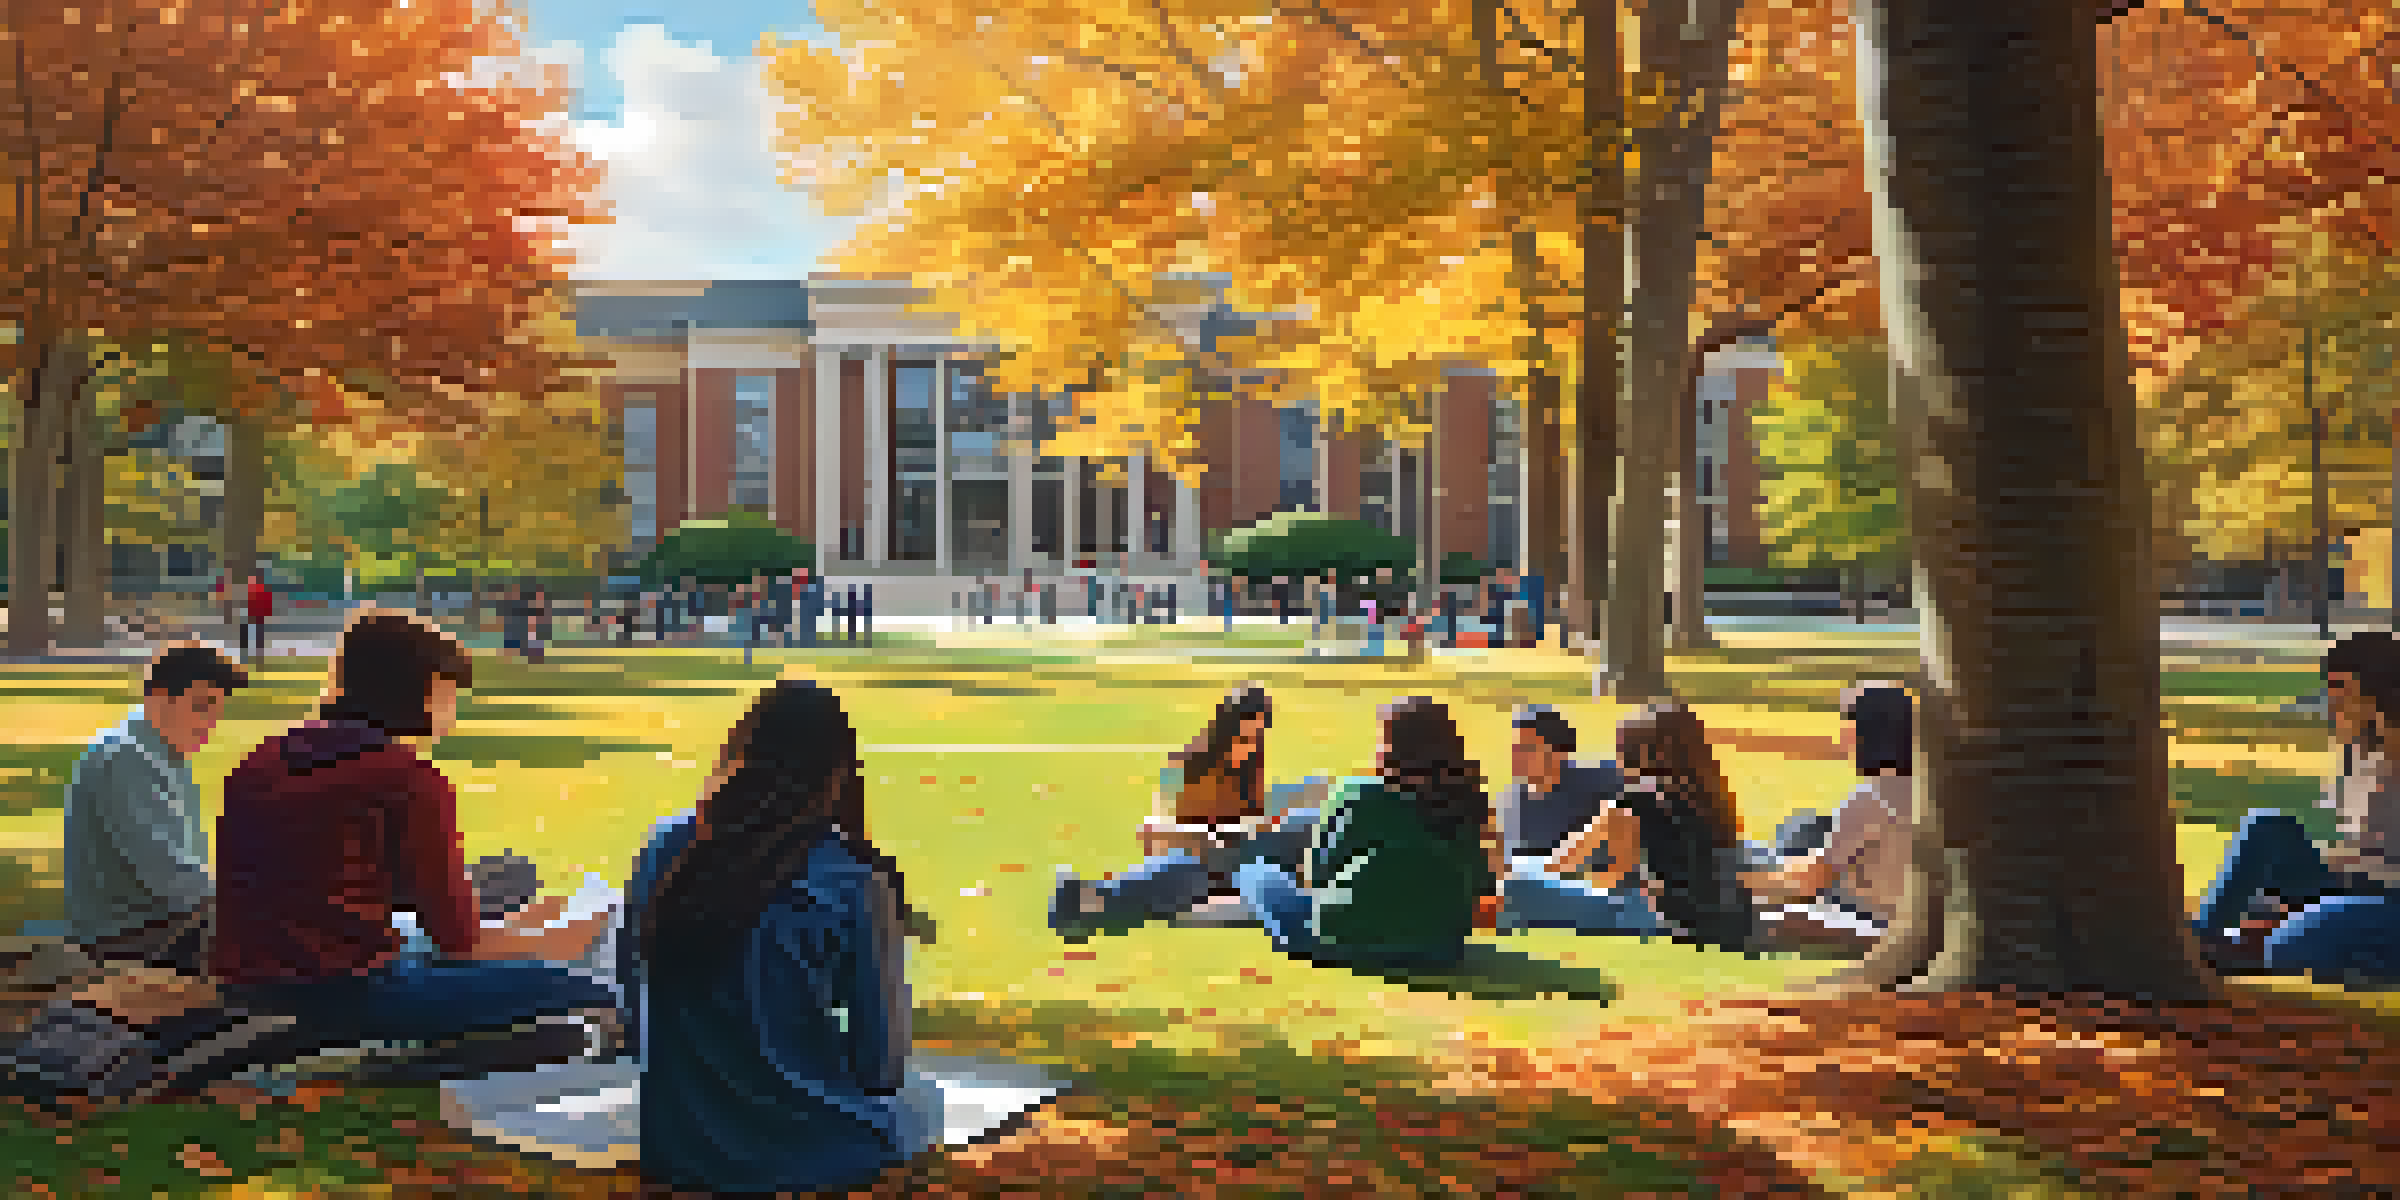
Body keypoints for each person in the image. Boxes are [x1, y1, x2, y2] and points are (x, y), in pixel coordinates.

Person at [210, 610, 617, 1067]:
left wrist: (523, 926)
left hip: (248, 984)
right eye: (448, 694)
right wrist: (564, 938)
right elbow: (460, 944)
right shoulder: (403, 777)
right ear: (421, 691)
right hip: (342, 995)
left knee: (468, 926)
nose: (453, 711)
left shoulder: (263, 758)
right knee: (598, 985)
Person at [621, 680, 941, 1193]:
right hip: (820, 1150)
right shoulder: (852, 880)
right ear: (838, 772)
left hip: (680, 1148)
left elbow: (636, 1017)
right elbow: (881, 1066)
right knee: (928, 1102)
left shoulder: (666, 851)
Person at [2191, 632, 2400, 980]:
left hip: (2389, 899)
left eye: (2342, 686)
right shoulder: (2358, 753)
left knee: (2288, 944)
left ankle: (2262, 946)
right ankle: (2204, 938)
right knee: (2266, 827)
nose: (2332, 698)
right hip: (2355, 882)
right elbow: (2360, 845)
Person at [1232, 696, 1493, 970]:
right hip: (1442, 949)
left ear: (1390, 747)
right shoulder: (1467, 802)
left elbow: (1317, 873)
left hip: (1342, 941)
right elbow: (1480, 885)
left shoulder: (1361, 793)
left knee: (1257, 873)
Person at [1049, 685, 1308, 938]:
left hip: (1239, 858)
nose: (1250, 747)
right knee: (1189, 868)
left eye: (1257, 737)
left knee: (1216, 860)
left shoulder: (1250, 769)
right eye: (1243, 737)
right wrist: (1202, 836)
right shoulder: (1187, 765)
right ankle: (1094, 903)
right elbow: (1152, 834)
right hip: (1197, 857)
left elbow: (1252, 823)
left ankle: (1094, 903)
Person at [1503, 704, 1756, 951]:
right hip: (1718, 917)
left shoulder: (1628, 805)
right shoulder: (1711, 798)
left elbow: (1566, 866)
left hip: (1652, 919)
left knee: (1514, 884)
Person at [62, 643, 251, 972]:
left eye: (217, 710)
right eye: (201, 706)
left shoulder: (159, 749)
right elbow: (169, 877)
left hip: (157, 923)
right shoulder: (126, 758)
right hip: (130, 937)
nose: (211, 723)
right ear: (159, 698)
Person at [1740, 682, 1914, 949]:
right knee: (1799, 828)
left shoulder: (1873, 795)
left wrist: (1744, 887)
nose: (1844, 739)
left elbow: (1810, 884)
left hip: (1869, 918)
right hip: (1879, 906)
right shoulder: (1928, 790)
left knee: (1774, 910)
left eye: (1849, 727)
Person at [243, 572, 274, 661]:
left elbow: (267, 605)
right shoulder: (250, 591)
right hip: (252, 619)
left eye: (251, 580)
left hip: (257, 619)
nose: (250, 582)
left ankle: (256, 658)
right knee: (252, 640)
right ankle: (252, 657)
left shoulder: (260, 592)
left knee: (257, 640)